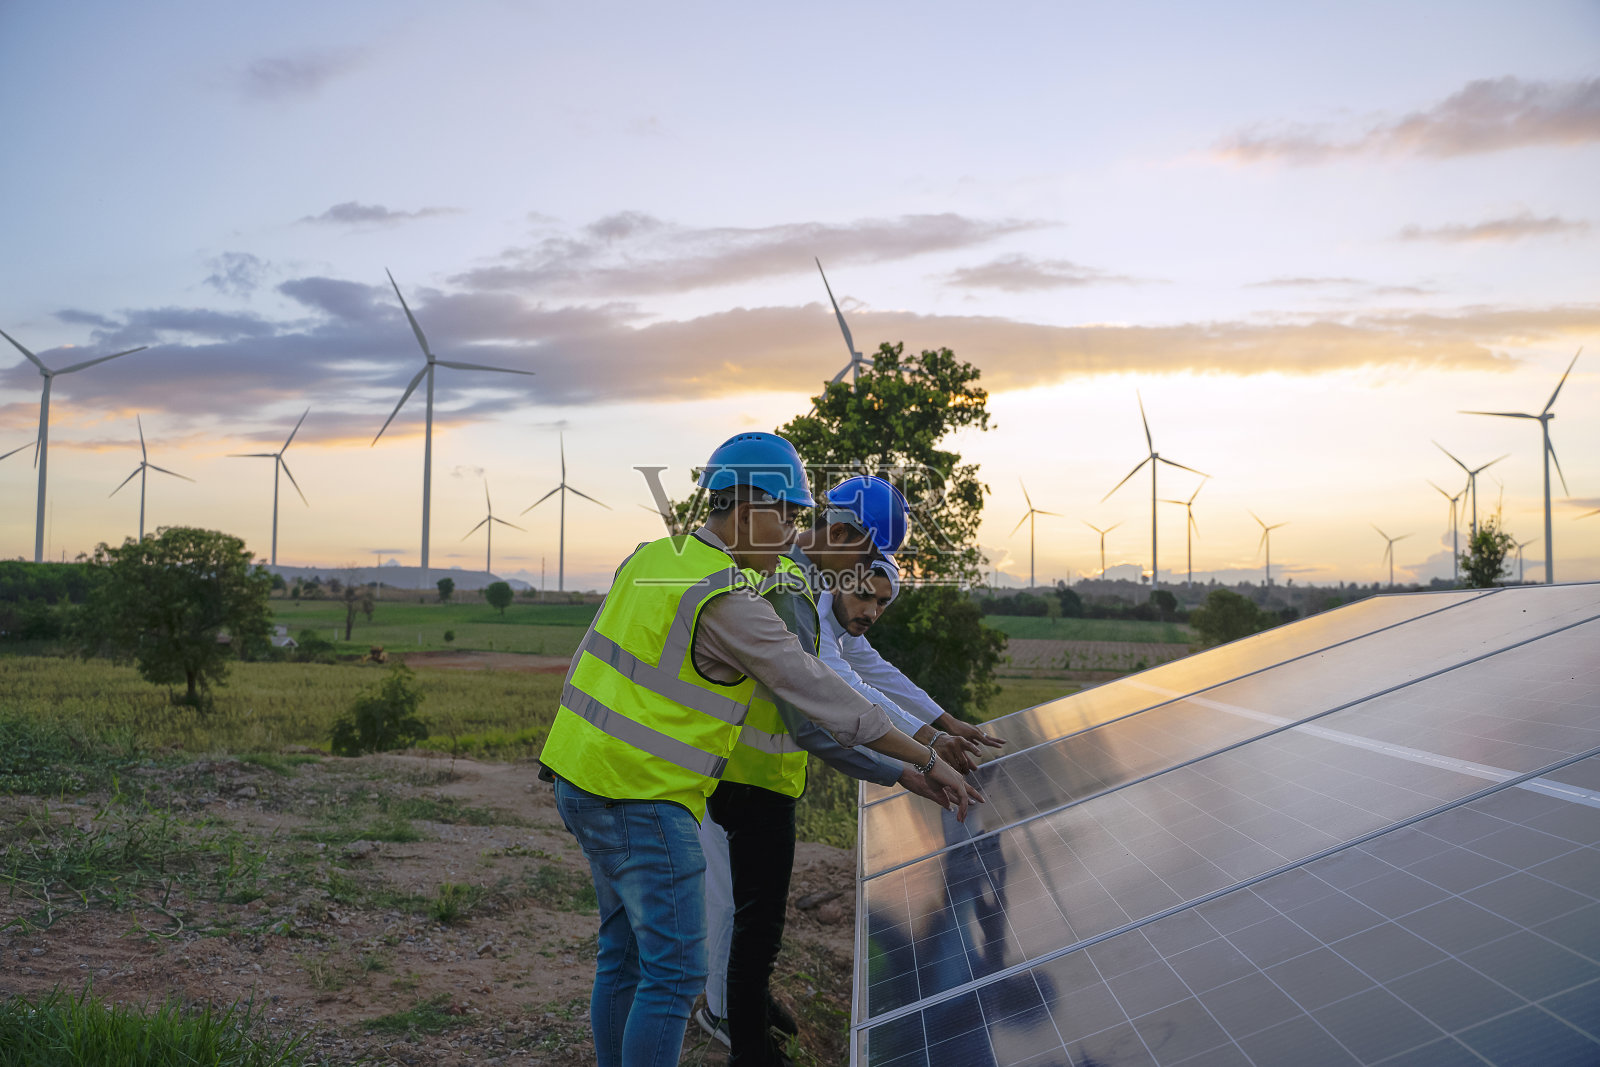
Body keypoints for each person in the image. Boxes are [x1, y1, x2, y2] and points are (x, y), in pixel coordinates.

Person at [538, 433, 981, 1067]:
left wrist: (926, 738)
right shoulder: (727, 597)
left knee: (625, 956)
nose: (795, 534)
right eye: (791, 516)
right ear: (749, 511)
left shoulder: (651, 557)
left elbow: (590, 659)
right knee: (675, 974)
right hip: (643, 795)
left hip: (577, 777)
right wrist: (923, 759)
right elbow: (818, 693)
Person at [695, 475, 988, 1065]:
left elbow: (862, 669)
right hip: (727, 768)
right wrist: (921, 754)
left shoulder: (814, 585)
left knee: (749, 911)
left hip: (761, 771)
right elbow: (829, 696)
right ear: (847, 536)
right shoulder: (790, 586)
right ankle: (726, 1016)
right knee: (733, 909)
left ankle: (740, 1003)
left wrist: (937, 723)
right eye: (867, 560)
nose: (867, 583)